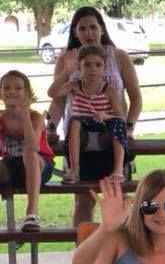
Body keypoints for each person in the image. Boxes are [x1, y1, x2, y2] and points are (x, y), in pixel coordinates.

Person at [46, 7, 142, 225]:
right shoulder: (67, 58)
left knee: (119, 197)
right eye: (82, 28)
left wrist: (129, 127)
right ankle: (84, 254)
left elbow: (135, 97)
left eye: (93, 27)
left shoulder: (118, 56)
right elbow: (58, 99)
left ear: (102, 29)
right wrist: (50, 128)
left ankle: (122, 253)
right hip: (78, 136)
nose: (88, 33)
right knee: (83, 200)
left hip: (110, 134)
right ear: (74, 32)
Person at [50, 44, 127, 183]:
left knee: (118, 123)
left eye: (98, 65)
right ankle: (74, 169)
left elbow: (120, 116)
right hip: (82, 134)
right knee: (75, 120)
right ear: (79, 67)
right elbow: (52, 93)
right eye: (87, 65)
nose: (93, 69)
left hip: (103, 133)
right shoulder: (74, 85)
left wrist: (105, 116)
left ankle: (118, 170)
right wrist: (66, 72)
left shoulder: (109, 90)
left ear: (104, 68)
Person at [0, 70, 54, 231]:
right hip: (13, 166)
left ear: (27, 93)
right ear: (1, 93)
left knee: (28, 153)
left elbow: (33, 146)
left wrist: (24, 113)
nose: (12, 91)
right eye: (7, 87)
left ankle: (31, 213)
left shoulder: (35, 117)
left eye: (18, 88)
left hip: (39, 165)